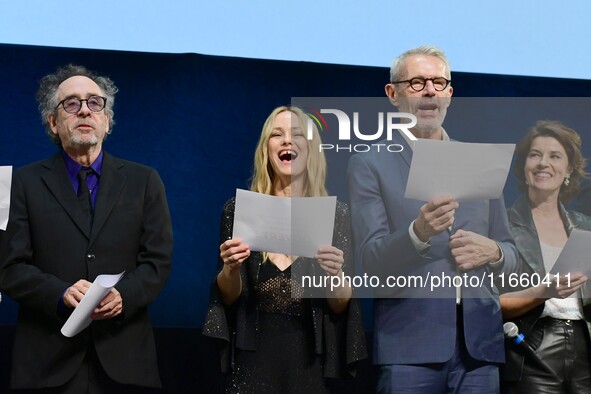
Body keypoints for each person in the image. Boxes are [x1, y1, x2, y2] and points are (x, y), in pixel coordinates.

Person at [347, 45, 518, 393]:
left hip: (480, 349)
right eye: (417, 82)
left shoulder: (480, 163)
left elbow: (513, 255)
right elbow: (371, 262)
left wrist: (494, 253)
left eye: (439, 82)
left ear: (450, 95)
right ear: (393, 94)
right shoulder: (370, 164)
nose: (430, 90)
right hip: (410, 347)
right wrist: (418, 233)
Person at [0, 64, 173, 393]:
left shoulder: (144, 180)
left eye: (95, 103)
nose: (84, 110)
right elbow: (10, 268)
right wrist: (61, 293)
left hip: (125, 362)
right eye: (71, 103)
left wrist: (124, 295)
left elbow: (158, 263)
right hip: (47, 363)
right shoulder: (20, 183)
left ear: (106, 120)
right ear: (53, 121)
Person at [202, 106, 367, 393]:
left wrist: (334, 273)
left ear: (311, 149)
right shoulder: (238, 210)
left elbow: (340, 304)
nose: (287, 141)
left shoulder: (335, 215)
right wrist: (230, 268)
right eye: (277, 135)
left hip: (307, 362)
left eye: (297, 135)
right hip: (251, 360)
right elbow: (227, 297)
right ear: (266, 149)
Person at [500, 121, 591, 393]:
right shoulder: (502, 223)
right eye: (534, 154)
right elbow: (488, 301)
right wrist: (543, 291)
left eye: (555, 156)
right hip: (530, 345)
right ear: (524, 165)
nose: (543, 163)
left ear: (569, 168)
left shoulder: (585, 227)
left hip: (584, 345)